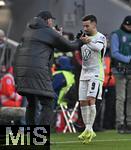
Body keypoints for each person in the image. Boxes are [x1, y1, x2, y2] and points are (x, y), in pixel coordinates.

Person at [13, 11, 83, 125]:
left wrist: (57, 36)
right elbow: (69, 46)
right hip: (37, 72)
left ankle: (32, 136)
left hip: (22, 72)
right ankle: (39, 136)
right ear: (47, 20)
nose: (52, 22)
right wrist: (80, 40)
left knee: (32, 103)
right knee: (48, 102)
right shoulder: (48, 31)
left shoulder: (28, 30)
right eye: (52, 20)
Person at [77, 15, 107, 143]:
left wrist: (87, 41)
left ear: (94, 24)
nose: (85, 28)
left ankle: (89, 129)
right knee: (82, 101)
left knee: (91, 99)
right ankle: (87, 129)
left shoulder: (100, 37)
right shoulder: (84, 38)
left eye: (87, 25)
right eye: (83, 25)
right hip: (84, 73)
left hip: (96, 73)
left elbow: (99, 48)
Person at [110, 16, 131, 134]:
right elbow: (114, 52)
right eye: (127, 25)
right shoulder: (116, 34)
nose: (129, 27)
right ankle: (120, 123)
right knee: (121, 98)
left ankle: (129, 122)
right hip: (120, 70)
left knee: (130, 98)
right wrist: (128, 59)